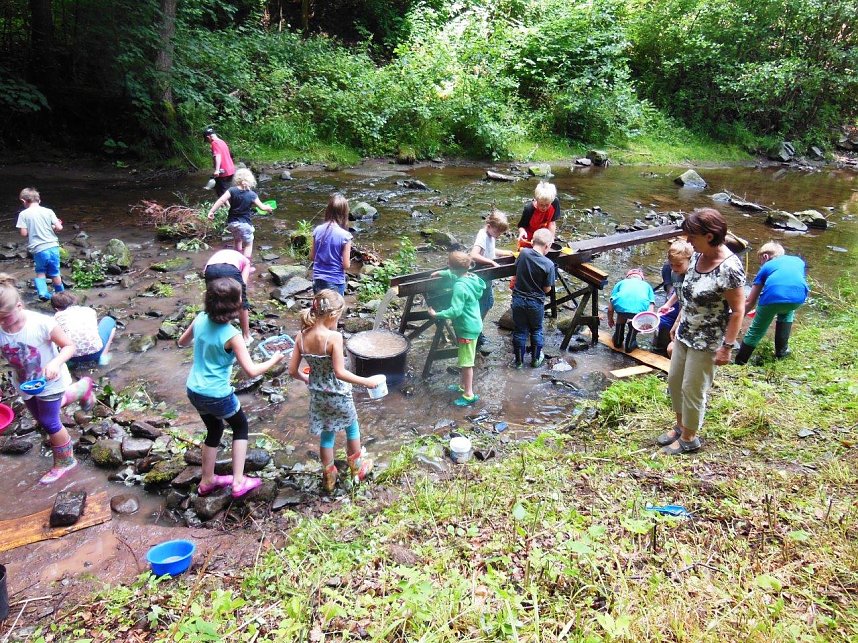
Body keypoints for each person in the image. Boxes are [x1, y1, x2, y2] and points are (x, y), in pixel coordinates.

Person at [177, 278, 285, 498]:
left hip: (194, 390)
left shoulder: (200, 318)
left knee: (214, 429)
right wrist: (274, 359)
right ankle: (238, 481)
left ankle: (207, 480)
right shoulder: (232, 336)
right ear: (235, 307)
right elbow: (252, 371)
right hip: (217, 394)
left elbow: (181, 342)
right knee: (240, 426)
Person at [657, 209, 745, 455]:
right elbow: (688, 295)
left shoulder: (729, 268)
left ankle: (689, 438)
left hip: (707, 341)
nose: (688, 241)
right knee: (675, 382)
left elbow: (738, 311)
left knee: (692, 389)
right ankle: (679, 426)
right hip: (685, 332)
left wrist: (727, 347)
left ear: (708, 236)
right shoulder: (696, 257)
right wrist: (676, 325)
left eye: (692, 236)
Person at [0, 274, 95, 484]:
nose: (3, 323)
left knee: (49, 421)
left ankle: (65, 461)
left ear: (19, 306)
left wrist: (55, 363)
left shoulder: (41, 323)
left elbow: (70, 346)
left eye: (6, 317)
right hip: (24, 381)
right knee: (40, 417)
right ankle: (82, 388)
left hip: (51, 379)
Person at [287, 290, 377, 492]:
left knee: (327, 435)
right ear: (333, 315)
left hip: (318, 396)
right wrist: (366, 382)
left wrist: (307, 378)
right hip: (339, 395)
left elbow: (292, 370)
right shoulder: (333, 338)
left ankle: (329, 475)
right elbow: (339, 372)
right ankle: (358, 469)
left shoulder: (300, 337)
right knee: (352, 429)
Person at [428, 251, 486, 406]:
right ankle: (462, 386)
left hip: (466, 328)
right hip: (473, 323)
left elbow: (455, 311)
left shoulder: (460, 287)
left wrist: (437, 314)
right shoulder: (471, 278)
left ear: (451, 266)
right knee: (465, 359)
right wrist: (442, 273)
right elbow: (456, 275)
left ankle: (469, 394)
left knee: (466, 362)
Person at [735, 242, 808, 364]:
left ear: (765, 257)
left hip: (773, 298)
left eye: (760, 261)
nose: (761, 265)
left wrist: (737, 318)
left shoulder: (766, 267)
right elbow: (791, 280)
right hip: (798, 298)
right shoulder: (798, 261)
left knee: (756, 330)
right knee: (786, 313)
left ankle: (740, 361)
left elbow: (750, 301)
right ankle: (781, 352)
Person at [510, 228, 556, 369]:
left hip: (518, 300)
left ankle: (518, 362)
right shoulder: (549, 264)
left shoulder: (523, 254)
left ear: (532, 241)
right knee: (536, 330)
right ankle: (535, 360)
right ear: (547, 246)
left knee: (520, 330)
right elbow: (547, 289)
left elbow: (516, 271)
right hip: (535, 302)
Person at [469, 209, 514, 346]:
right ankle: (476, 332)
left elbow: (490, 251)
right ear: (489, 226)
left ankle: (476, 330)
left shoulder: (490, 235)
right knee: (485, 303)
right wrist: (491, 262)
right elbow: (474, 255)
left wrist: (506, 253)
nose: (499, 236)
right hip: (481, 276)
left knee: (487, 303)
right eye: (497, 232)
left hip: (487, 277)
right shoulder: (482, 235)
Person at [207, 168, 272, 259]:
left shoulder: (232, 190)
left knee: (238, 240)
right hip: (245, 224)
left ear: (237, 179)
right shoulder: (252, 194)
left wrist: (211, 211)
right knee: (249, 244)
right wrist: (269, 208)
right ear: (250, 180)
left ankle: (237, 260)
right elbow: (262, 207)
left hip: (232, 224)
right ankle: (245, 263)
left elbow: (221, 200)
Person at [16, 188, 64, 301]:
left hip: (39, 249)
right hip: (53, 247)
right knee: (55, 272)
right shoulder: (49, 211)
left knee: (41, 271)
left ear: (23, 201)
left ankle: (43, 293)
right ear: (39, 200)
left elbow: (24, 233)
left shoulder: (23, 214)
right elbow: (59, 228)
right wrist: (53, 227)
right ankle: (61, 295)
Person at [50, 292, 116, 367]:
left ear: (56, 309)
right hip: (96, 352)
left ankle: (68, 363)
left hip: (69, 356)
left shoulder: (55, 318)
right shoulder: (89, 310)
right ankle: (103, 356)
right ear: (73, 301)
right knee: (109, 320)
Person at [204, 248, 253, 343]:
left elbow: (205, 271)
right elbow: (242, 285)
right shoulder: (246, 262)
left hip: (210, 269)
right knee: (241, 300)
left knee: (214, 298)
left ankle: (214, 331)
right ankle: (246, 336)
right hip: (230, 269)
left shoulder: (227, 254)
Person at [654, 240, 694, 356]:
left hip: (688, 314)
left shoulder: (691, 277)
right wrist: (668, 304)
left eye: (678, 265)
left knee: (674, 348)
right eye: (671, 265)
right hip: (681, 308)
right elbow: (678, 291)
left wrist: (677, 322)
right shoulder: (674, 273)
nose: (674, 268)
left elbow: (688, 302)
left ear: (690, 261)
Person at [310, 193, 352, 295]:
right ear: (344, 213)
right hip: (335, 281)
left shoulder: (318, 230)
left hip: (317, 279)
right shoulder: (345, 236)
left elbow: (312, 256)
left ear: (328, 210)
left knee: (320, 309)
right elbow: (346, 265)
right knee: (335, 310)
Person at [607, 268, 656, 353]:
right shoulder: (647, 286)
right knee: (636, 318)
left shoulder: (621, 283)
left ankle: (617, 341)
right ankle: (630, 344)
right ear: (642, 278)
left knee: (622, 310)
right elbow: (650, 308)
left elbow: (610, 308)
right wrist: (645, 323)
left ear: (628, 277)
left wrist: (610, 319)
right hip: (638, 312)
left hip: (621, 310)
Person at [516, 181, 561, 249]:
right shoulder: (529, 209)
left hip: (544, 239)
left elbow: (552, 222)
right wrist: (522, 232)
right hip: (529, 240)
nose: (544, 208)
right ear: (536, 200)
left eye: (547, 205)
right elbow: (521, 226)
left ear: (551, 201)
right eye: (541, 204)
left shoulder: (555, 202)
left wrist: (551, 239)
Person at [203, 126, 235, 197]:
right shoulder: (222, 142)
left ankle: (227, 207)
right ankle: (229, 205)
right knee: (228, 190)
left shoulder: (214, 143)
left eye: (207, 140)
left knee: (221, 193)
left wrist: (217, 170)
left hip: (223, 171)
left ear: (208, 137)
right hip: (231, 169)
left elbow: (218, 155)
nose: (208, 142)